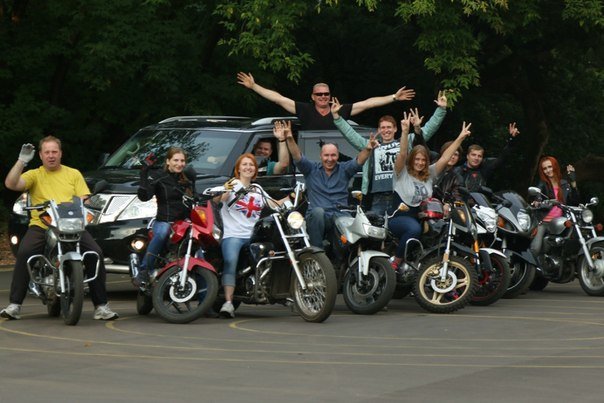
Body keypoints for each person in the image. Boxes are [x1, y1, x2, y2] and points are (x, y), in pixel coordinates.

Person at [1, 137, 118, 320]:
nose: (51, 155)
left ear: (60, 153)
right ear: (40, 155)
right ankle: (15, 305)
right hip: (43, 225)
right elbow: (11, 184)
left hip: (72, 226)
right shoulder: (34, 175)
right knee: (25, 253)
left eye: (54, 151)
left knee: (95, 253)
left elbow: (84, 198)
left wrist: (88, 204)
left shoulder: (73, 174)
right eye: (47, 152)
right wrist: (21, 161)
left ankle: (101, 306)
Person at [333, 91, 448, 214]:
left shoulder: (405, 141)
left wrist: (441, 109)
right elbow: (351, 135)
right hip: (378, 198)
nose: (386, 130)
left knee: (399, 224)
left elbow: (428, 130)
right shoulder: (371, 144)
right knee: (374, 225)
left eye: (389, 127)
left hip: (400, 197)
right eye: (383, 127)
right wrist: (337, 117)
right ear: (378, 130)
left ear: (395, 129)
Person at [283, 107, 379, 248]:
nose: (330, 159)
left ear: (338, 156)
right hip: (318, 218)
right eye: (326, 155)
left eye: (333, 155)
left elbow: (359, 160)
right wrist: (290, 138)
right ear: (320, 156)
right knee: (318, 212)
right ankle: (317, 252)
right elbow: (297, 155)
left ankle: (348, 258)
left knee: (351, 225)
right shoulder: (311, 169)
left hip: (339, 215)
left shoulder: (344, 169)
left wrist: (368, 148)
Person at [389, 115, 472, 269]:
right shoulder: (401, 173)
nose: (420, 163)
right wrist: (405, 132)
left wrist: (460, 138)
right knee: (414, 229)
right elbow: (402, 154)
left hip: (423, 218)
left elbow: (445, 158)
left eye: (423, 160)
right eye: (417, 159)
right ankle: (396, 262)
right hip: (400, 217)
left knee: (443, 231)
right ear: (411, 159)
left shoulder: (429, 174)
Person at [214, 152, 289, 318]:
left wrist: (290, 197)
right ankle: (228, 303)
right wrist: (225, 189)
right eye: (245, 164)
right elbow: (219, 199)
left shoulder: (257, 189)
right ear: (238, 168)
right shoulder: (233, 184)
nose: (248, 167)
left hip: (253, 236)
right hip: (233, 235)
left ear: (255, 169)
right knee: (230, 261)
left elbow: (274, 204)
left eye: (251, 165)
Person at [237, 71, 416, 130]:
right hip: (311, 161)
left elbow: (368, 103)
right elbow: (278, 99)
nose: (323, 97)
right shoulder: (304, 110)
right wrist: (254, 86)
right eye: (319, 94)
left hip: (336, 160)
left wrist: (394, 97)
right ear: (313, 97)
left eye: (326, 94)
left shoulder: (341, 110)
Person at [133, 147, 194, 287]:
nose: (179, 164)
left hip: (184, 222)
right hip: (164, 221)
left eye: (182, 161)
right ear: (168, 161)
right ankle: (144, 270)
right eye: (176, 160)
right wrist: (144, 173)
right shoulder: (159, 177)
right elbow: (144, 197)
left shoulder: (187, 179)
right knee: (162, 233)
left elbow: (195, 198)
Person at [529, 156, 580, 261]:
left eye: (550, 167)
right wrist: (537, 202)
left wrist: (573, 182)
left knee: (573, 240)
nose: (548, 170)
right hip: (544, 222)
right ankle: (530, 267)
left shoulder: (564, 184)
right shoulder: (543, 184)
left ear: (555, 167)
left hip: (560, 222)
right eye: (545, 168)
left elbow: (574, 202)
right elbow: (538, 197)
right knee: (535, 248)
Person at [453, 123, 520, 191]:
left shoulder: (484, 168)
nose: (476, 158)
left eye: (479, 156)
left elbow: (502, 158)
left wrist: (512, 139)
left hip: (481, 197)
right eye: (473, 155)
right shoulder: (457, 171)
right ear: (467, 156)